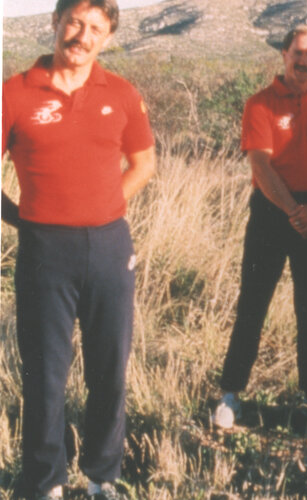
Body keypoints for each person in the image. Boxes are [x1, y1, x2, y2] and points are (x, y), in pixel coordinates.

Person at [1, 1, 156, 498]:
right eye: (74, 22)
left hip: (110, 244)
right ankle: (45, 481)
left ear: (107, 38)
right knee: (46, 370)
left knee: (109, 367)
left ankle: (101, 476)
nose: (81, 35)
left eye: (95, 28)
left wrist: (106, 203)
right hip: (45, 248)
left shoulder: (123, 94)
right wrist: (19, 216)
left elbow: (143, 162)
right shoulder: (15, 93)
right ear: (55, 22)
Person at [212, 26, 307, 432]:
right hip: (273, 212)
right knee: (253, 303)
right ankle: (231, 393)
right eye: (297, 53)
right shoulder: (261, 104)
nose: (304, 62)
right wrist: (294, 211)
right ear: (284, 54)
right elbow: (260, 164)